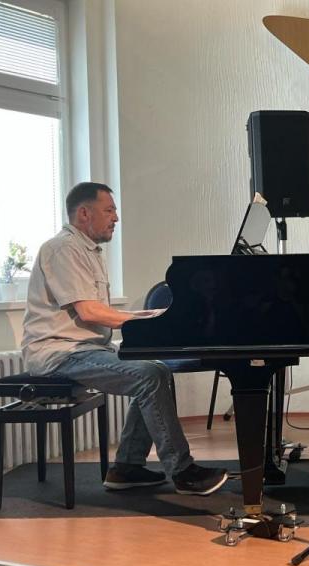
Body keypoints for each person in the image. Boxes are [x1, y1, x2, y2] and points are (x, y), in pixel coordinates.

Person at [21, 182, 228, 496]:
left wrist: (152, 316)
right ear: (84, 213)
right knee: (150, 375)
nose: (116, 218)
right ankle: (183, 471)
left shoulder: (87, 250)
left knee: (158, 370)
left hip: (85, 349)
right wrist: (145, 322)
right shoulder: (63, 249)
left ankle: (127, 468)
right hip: (60, 353)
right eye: (109, 210)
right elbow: (89, 312)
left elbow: (97, 310)